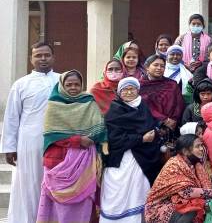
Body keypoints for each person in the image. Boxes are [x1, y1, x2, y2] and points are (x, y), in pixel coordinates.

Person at [37, 70, 106, 223]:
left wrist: (92, 138)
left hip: (85, 161)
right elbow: (51, 135)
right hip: (59, 161)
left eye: (77, 84)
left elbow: (100, 128)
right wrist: (77, 140)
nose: (73, 87)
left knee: (84, 200)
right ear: (62, 85)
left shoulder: (89, 101)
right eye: (69, 85)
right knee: (59, 204)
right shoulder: (54, 104)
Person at [0, 42, 59, 223]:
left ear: (53, 57)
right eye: (38, 55)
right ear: (31, 59)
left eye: (46, 55)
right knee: (29, 184)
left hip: (58, 142)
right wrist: (9, 147)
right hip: (29, 143)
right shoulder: (21, 84)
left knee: (55, 184)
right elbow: (11, 117)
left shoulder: (63, 80)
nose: (43, 59)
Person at [101, 77, 162, 222]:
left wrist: (155, 133)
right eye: (125, 89)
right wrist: (141, 139)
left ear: (137, 90)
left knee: (139, 193)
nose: (128, 92)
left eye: (132, 89)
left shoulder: (144, 107)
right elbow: (115, 140)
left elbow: (151, 127)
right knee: (117, 195)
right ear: (119, 92)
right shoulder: (114, 111)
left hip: (142, 160)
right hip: (120, 159)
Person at [144, 134, 212, 223]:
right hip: (158, 208)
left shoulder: (194, 164)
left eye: (201, 145)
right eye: (197, 146)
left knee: (201, 203)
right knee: (193, 207)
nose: (202, 149)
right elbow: (186, 192)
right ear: (185, 151)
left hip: (174, 203)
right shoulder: (174, 165)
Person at [141, 54, 185, 131]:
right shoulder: (140, 86)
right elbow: (144, 106)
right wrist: (164, 120)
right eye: (156, 65)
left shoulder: (172, 84)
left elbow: (179, 105)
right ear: (147, 67)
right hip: (148, 125)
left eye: (162, 66)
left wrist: (173, 120)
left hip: (171, 126)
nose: (159, 68)